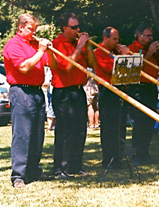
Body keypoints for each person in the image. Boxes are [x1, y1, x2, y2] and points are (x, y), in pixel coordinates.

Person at [2, 13, 57, 188]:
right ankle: (18, 175)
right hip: (21, 90)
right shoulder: (13, 44)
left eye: (35, 29)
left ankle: (33, 170)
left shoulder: (36, 45)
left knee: (37, 134)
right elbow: (24, 67)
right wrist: (41, 51)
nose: (34, 32)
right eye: (30, 29)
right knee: (22, 134)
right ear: (20, 27)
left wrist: (49, 51)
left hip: (37, 91)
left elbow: (53, 65)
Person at [51, 12, 96, 178]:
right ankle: (59, 168)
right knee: (65, 131)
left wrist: (88, 46)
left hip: (78, 90)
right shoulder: (57, 43)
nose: (78, 29)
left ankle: (75, 166)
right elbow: (66, 66)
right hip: (63, 92)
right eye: (74, 27)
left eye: (78, 26)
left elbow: (91, 64)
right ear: (64, 28)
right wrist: (79, 46)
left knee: (79, 130)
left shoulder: (78, 43)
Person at [128, 25, 159, 165]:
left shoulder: (153, 51)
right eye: (148, 36)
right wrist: (149, 53)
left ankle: (145, 151)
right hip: (138, 87)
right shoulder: (131, 49)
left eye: (152, 36)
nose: (151, 38)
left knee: (150, 121)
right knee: (140, 121)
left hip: (151, 87)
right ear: (139, 36)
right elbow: (135, 70)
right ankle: (137, 152)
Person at [94, 26, 129, 169]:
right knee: (109, 128)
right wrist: (124, 56)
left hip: (120, 90)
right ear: (105, 38)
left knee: (120, 126)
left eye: (118, 39)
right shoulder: (99, 52)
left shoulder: (115, 52)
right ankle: (109, 159)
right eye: (114, 39)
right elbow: (112, 69)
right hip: (107, 91)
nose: (117, 42)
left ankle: (118, 156)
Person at [42, 66, 56, 131]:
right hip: (49, 89)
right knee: (50, 106)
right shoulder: (47, 69)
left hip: (53, 89)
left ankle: (51, 126)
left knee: (51, 106)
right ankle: (50, 125)